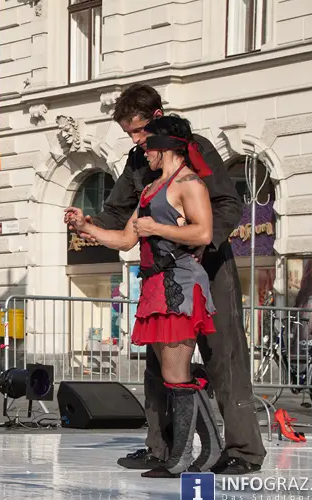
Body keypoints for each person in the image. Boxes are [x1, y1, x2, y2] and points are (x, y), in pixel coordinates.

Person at [65, 84, 266, 475]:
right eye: (130, 135)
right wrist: (88, 224)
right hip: (163, 275)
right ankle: (163, 447)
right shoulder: (138, 162)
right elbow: (119, 216)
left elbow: (227, 204)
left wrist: (194, 249)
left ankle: (242, 450)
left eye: (140, 132)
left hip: (207, 268)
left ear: (158, 118)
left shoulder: (195, 148)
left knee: (223, 358)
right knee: (158, 366)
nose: (137, 142)